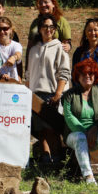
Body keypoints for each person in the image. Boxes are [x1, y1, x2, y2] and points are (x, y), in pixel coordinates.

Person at [26, 13, 71, 164]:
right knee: (41, 129)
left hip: (52, 93)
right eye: (45, 26)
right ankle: (46, 156)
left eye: (51, 27)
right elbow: (29, 73)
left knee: (53, 128)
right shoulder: (33, 50)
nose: (48, 29)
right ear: (39, 29)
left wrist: (58, 93)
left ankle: (57, 158)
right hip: (35, 93)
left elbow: (64, 72)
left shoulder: (59, 47)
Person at [62, 58, 98, 184]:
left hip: (96, 132)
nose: (87, 76)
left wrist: (95, 129)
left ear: (95, 75)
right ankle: (89, 177)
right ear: (77, 76)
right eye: (83, 73)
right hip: (75, 134)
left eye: (90, 73)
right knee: (80, 137)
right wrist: (86, 133)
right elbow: (69, 118)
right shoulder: (69, 95)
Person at [0, 17, 22, 81]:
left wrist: (14, 57)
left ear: (11, 30)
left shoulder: (16, 45)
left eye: (5, 29)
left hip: (12, 81)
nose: (2, 32)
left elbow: (18, 54)